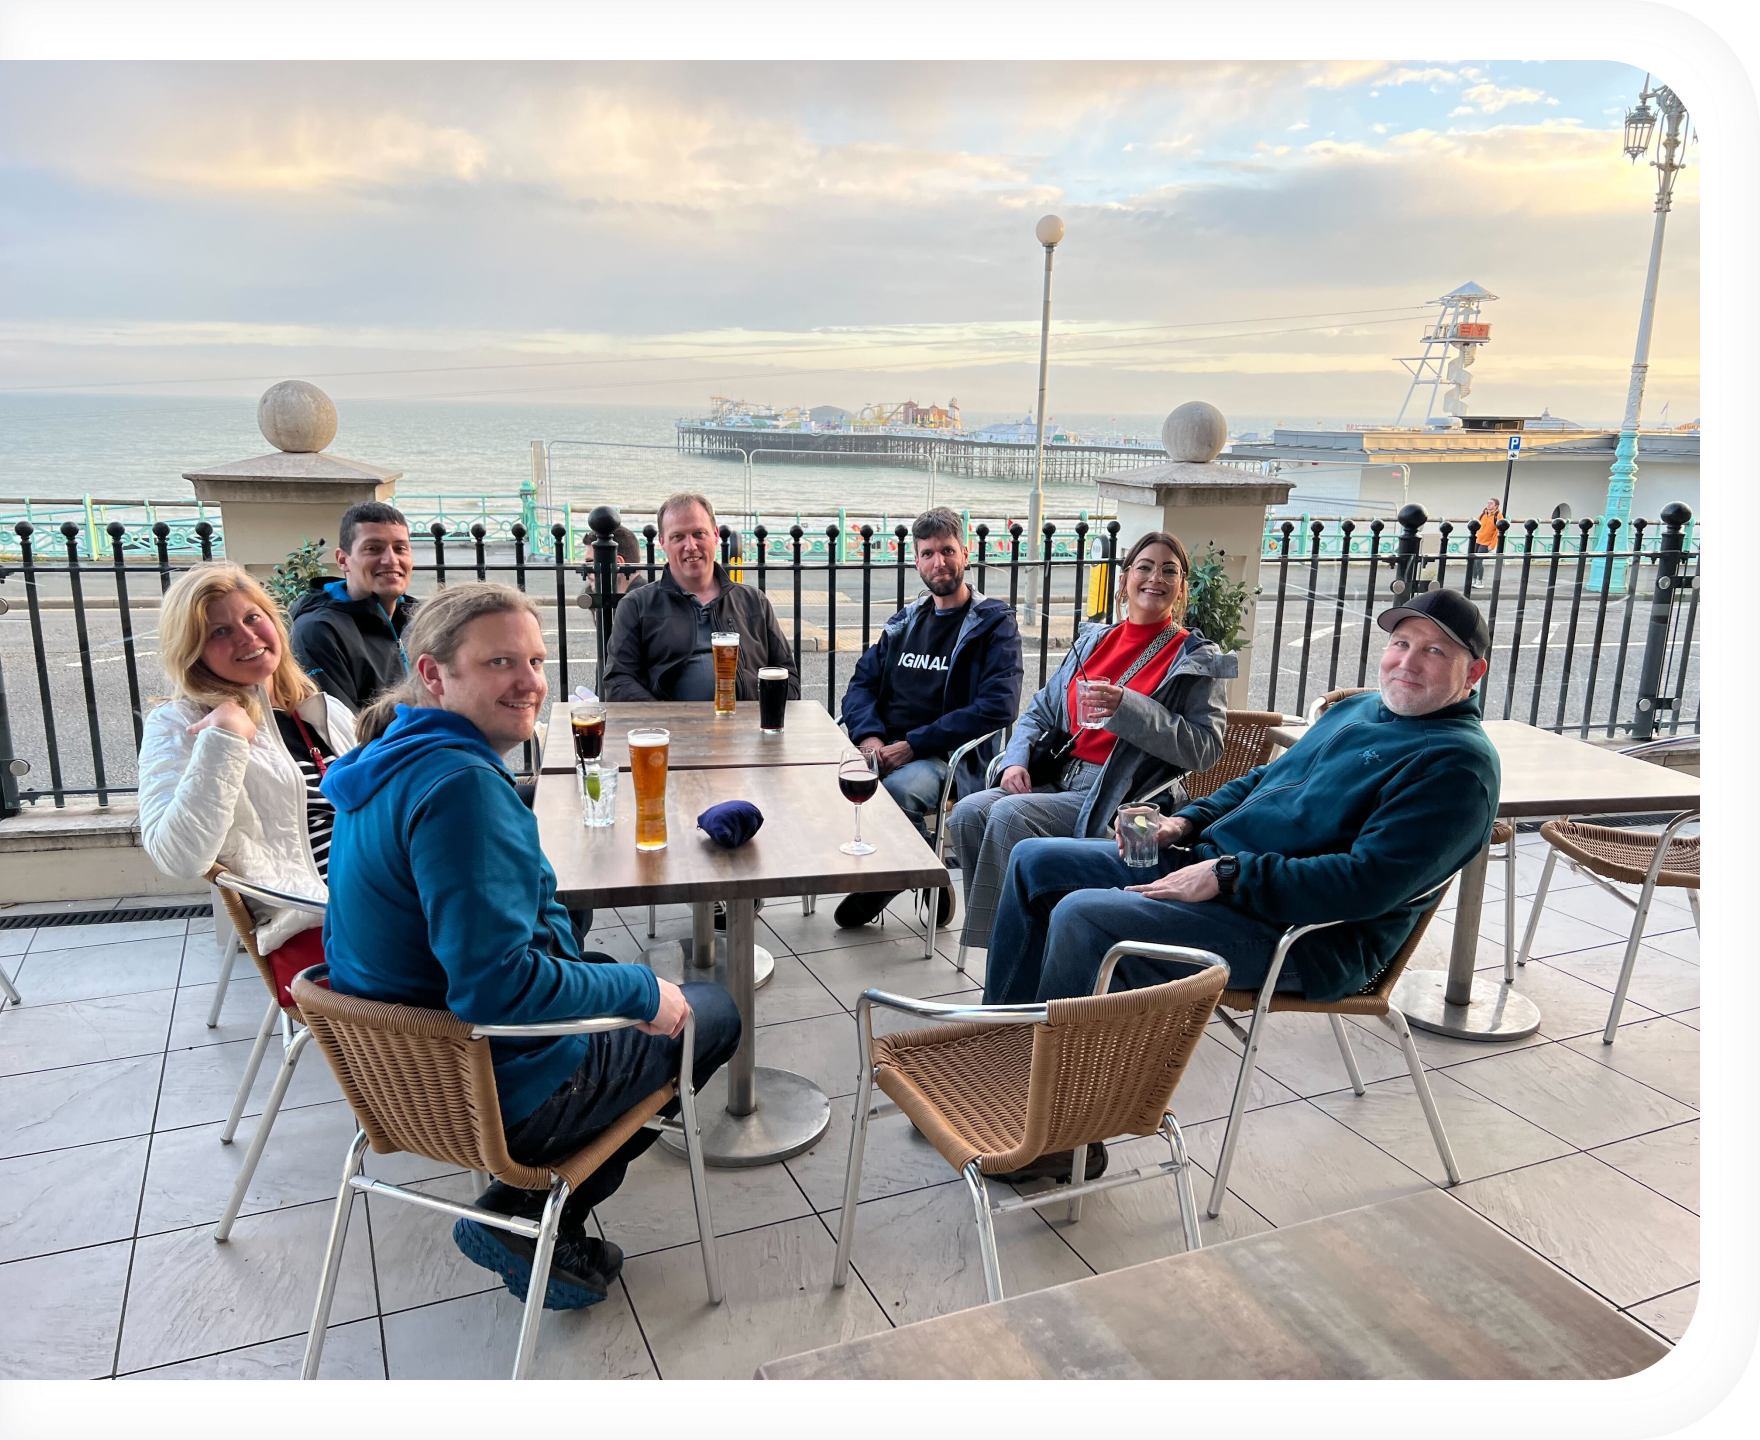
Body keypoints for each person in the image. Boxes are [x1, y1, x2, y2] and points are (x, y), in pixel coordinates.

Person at [978, 589, 1500, 1179]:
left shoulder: (1456, 768)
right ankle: (1007, 1058)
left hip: (1298, 934)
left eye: (1433, 652)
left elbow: (1365, 884)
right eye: (1401, 643)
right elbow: (1260, 781)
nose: (1407, 662)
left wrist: (1228, 875)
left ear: (1472, 671)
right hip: (1219, 869)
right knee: (1032, 861)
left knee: (1082, 917)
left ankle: (1061, 1137)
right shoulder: (1360, 711)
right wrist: (1183, 821)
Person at [321, 584, 740, 1310]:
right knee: (708, 1011)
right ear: (433, 675)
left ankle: (530, 1209)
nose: (530, 682)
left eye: (537, 660)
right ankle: (534, 1212)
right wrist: (646, 995)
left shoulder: (385, 760)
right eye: (499, 663)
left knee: (604, 971)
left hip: (406, 1075)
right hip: (489, 1083)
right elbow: (498, 989)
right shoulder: (459, 789)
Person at [946, 530, 1235, 956]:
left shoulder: (1196, 659)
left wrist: (1129, 708)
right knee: (969, 812)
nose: (1155, 578)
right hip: (1061, 777)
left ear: (1181, 588)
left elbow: (1206, 749)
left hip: (1121, 794)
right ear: (1124, 581)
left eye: (1169, 571)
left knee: (1008, 815)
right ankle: (1006, 945)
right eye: (1145, 567)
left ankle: (1019, 952)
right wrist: (1015, 759)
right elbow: (1039, 710)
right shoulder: (1095, 641)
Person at [138, 562, 357, 993]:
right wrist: (225, 736)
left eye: (252, 617)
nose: (246, 637)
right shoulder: (179, 722)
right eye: (218, 632)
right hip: (317, 917)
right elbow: (177, 857)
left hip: (383, 886)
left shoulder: (321, 708)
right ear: (192, 650)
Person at [833, 507, 1023, 928]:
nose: (940, 562)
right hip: (883, 748)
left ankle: (900, 877)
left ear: (966, 554)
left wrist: (913, 745)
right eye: (929, 553)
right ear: (916, 561)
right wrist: (870, 739)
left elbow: (999, 706)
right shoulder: (906, 622)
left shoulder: (993, 625)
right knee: (815, 782)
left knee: (898, 792)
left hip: (947, 757)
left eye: (948, 551)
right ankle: (919, 871)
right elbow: (860, 684)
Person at [600, 493, 797, 702]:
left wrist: (758, 717)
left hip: (746, 728)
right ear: (662, 542)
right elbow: (618, 680)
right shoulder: (636, 605)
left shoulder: (754, 602)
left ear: (715, 534)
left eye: (699, 533)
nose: (691, 546)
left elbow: (788, 676)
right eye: (678, 537)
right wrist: (666, 719)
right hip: (670, 731)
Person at [289, 500, 416, 712]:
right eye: (373, 549)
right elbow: (342, 732)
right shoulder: (318, 632)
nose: (391, 560)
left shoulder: (422, 619)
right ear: (343, 560)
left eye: (400, 548)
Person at [1472, 498, 1502, 583]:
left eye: (1491, 503)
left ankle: (1480, 580)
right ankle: (1473, 578)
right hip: (1478, 539)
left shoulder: (1498, 516)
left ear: (1496, 506)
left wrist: (1492, 545)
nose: (1488, 505)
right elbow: (1475, 524)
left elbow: (1498, 532)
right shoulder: (1483, 514)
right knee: (1473, 559)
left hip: (1486, 542)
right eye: (1488, 503)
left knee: (1478, 561)